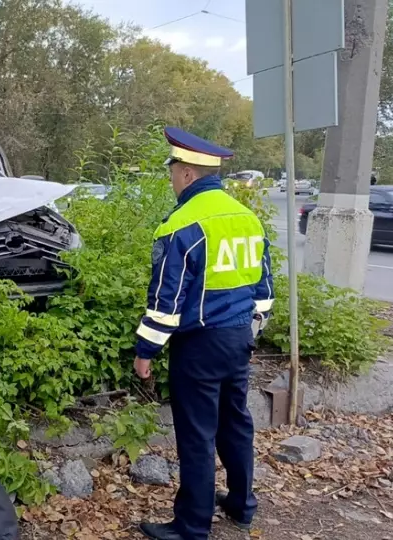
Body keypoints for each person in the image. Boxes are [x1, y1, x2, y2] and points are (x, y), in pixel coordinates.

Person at [134, 127, 275, 540]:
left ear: (187, 174)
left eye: (173, 173)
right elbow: (264, 290)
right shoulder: (247, 218)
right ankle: (242, 506)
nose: (172, 181)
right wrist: (251, 331)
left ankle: (192, 527)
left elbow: (166, 300)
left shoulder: (182, 224)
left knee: (197, 435)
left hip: (199, 344)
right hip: (239, 337)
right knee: (236, 422)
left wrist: (146, 350)